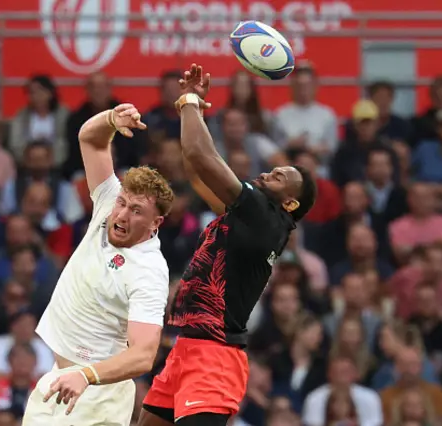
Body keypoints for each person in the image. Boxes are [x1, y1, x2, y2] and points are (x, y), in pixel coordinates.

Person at [138, 64, 317, 426]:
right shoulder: (257, 218)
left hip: (214, 356)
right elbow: (193, 166)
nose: (268, 172)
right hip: (187, 348)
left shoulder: (264, 212)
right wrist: (194, 112)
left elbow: (203, 157)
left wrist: (189, 101)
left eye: (280, 177)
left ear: (291, 203)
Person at [21, 103, 174, 425]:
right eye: (122, 202)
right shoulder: (107, 204)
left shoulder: (149, 271)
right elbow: (90, 140)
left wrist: (86, 376)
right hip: (59, 379)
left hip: (97, 394)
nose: (121, 214)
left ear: (155, 223)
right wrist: (110, 120)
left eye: (136, 210)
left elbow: (144, 355)